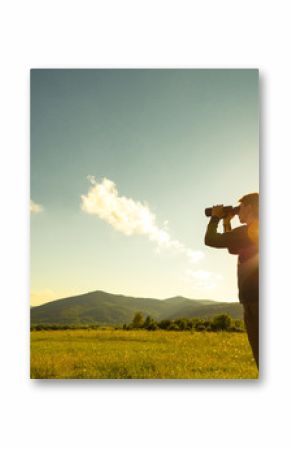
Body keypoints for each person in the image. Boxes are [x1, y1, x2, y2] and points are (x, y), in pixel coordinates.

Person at [204, 193, 259, 369]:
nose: (237, 211)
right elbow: (232, 247)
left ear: (250, 207)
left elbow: (211, 240)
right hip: (251, 301)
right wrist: (227, 221)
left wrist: (215, 217)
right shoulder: (251, 232)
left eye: (240, 207)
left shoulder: (251, 230)